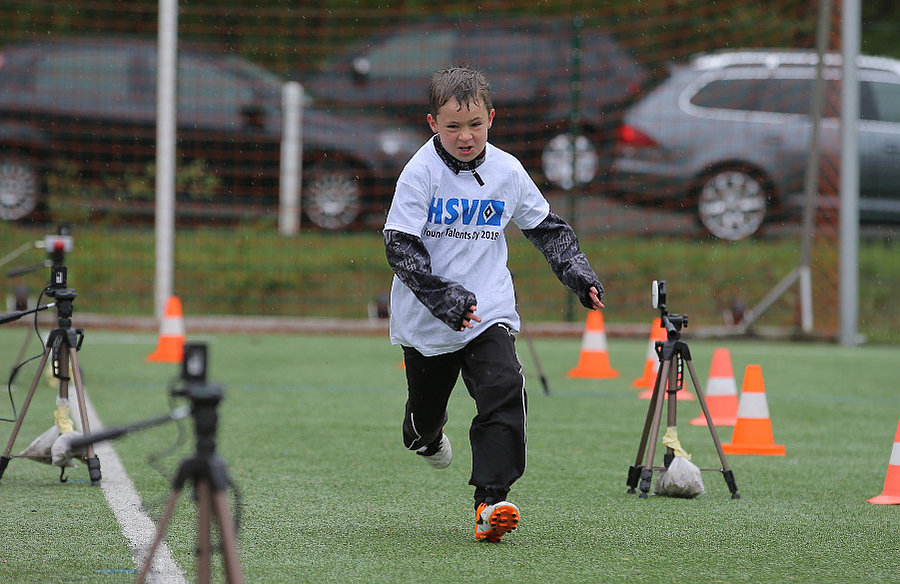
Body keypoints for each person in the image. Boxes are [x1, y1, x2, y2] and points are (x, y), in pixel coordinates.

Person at [383, 67, 604, 543]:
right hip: (428, 322)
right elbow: (400, 247)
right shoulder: (419, 172)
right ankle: (425, 431)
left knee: (505, 386)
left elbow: (546, 228)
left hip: (488, 312)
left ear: (492, 119)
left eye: (475, 125)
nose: (466, 137)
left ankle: (491, 501)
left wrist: (577, 272)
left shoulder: (507, 171)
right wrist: (445, 299)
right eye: (453, 126)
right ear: (432, 123)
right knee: (422, 425)